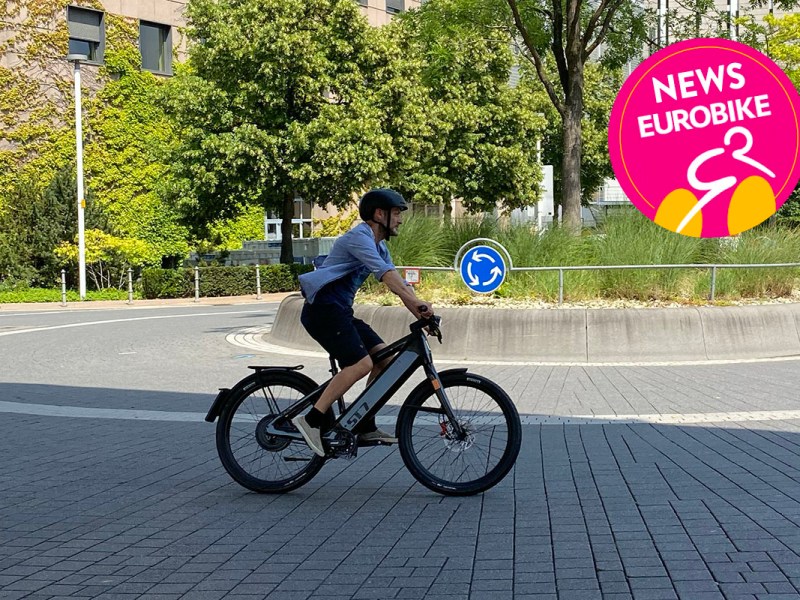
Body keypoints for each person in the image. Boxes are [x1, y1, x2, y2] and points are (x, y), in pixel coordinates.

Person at [292, 188, 434, 457]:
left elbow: (399, 283)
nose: (400, 220)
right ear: (379, 214)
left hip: (340, 311)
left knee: (385, 360)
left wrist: (421, 313)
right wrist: (416, 306)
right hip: (323, 311)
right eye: (396, 214)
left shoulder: (380, 246)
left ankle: (364, 422)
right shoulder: (360, 237)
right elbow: (386, 275)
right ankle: (310, 420)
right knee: (361, 363)